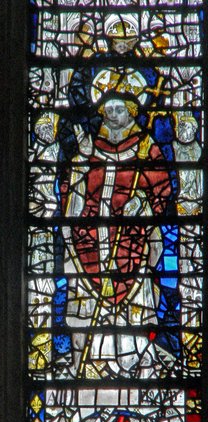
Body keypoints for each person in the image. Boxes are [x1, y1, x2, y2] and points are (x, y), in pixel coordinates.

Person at [62, 69, 175, 379]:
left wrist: (144, 203)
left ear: (132, 112)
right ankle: (94, 363)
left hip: (131, 240)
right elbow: (71, 190)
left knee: (135, 299)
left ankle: (134, 360)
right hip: (90, 240)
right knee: (88, 298)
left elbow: (162, 188)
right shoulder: (90, 147)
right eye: (108, 108)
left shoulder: (145, 148)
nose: (112, 114)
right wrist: (81, 161)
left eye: (119, 109)